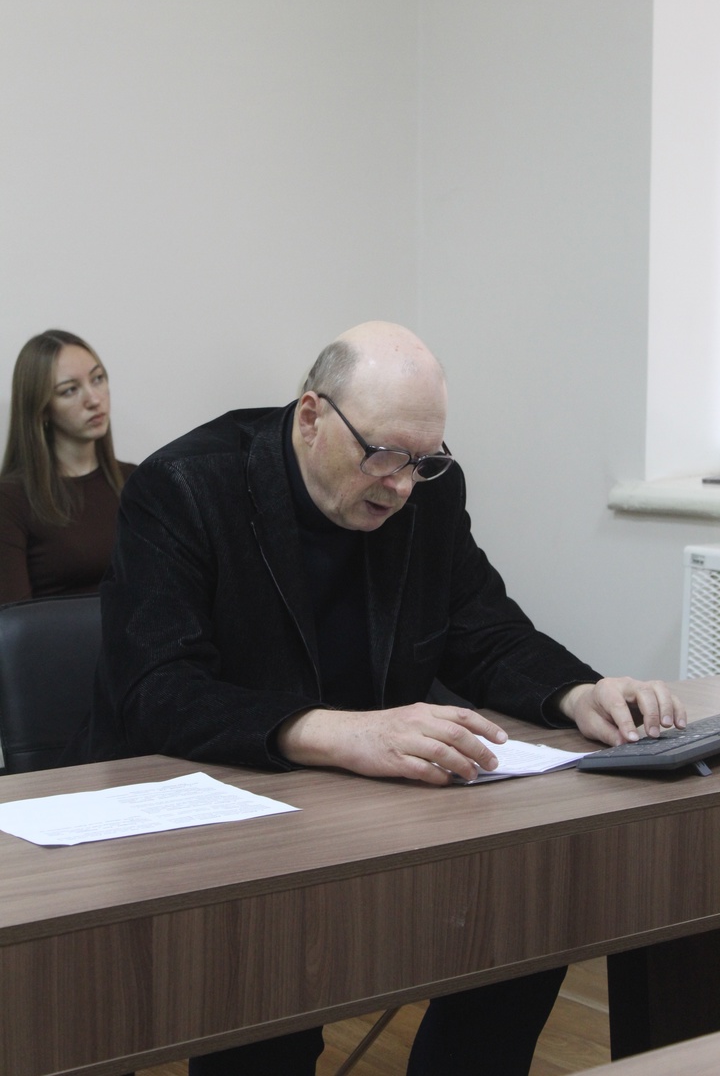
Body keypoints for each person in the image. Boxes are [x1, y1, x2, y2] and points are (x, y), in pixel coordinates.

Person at [85, 321, 685, 1076]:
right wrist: (343, 733)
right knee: (267, 1011)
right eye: (384, 454)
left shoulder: (428, 489)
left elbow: (484, 630)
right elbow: (157, 690)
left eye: (424, 460)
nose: (402, 484)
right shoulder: (184, 486)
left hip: (369, 808)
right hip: (223, 814)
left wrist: (580, 691)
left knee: (526, 924)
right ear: (312, 417)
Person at [0, 329, 135, 605]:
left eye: (97, 379)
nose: (94, 399)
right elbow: (13, 624)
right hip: (59, 635)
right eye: (70, 390)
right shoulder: (11, 500)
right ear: (41, 409)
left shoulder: (137, 481)